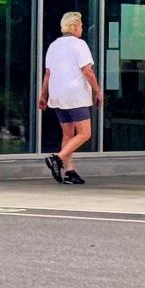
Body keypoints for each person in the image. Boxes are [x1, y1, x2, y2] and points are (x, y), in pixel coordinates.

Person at [39, 11, 102, 186]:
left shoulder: (54, 46)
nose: (82, 28)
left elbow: (48, 74)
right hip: (75, 95)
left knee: (68, 134)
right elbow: (87, 71)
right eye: (81, 25)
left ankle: (70, 171)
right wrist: (98, 91)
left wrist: (43, 95)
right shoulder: (79, 45)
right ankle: (57, 159)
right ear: (74, 26)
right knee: (85, 133)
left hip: (57, 93)